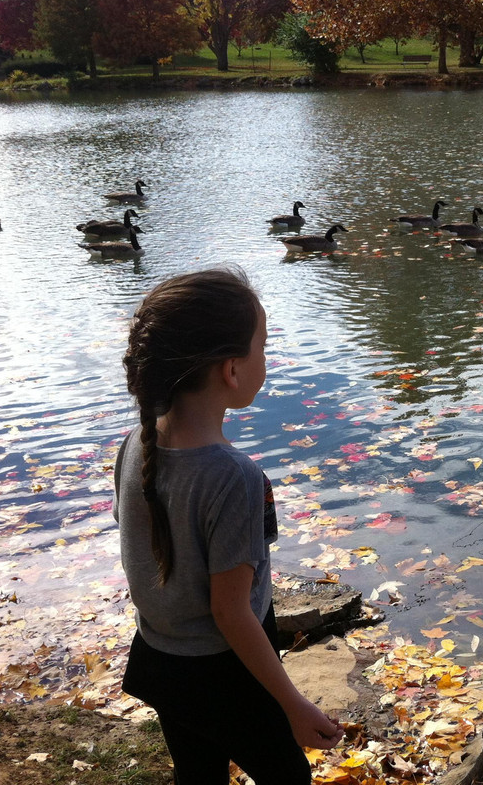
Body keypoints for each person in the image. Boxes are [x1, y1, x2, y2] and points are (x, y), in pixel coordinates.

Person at [113, 267, 342, 784]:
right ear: (232, 370)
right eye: (262, 345)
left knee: (198, 775)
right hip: (226, 669)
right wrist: (294, 703)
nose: (268, 358)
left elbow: (139, 553)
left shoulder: (135, 444)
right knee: (289, 777)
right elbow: (231, 612)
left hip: (162, 657)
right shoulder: (236, 477)